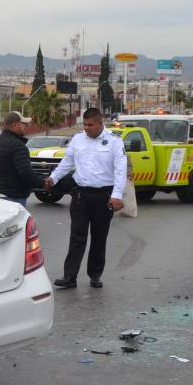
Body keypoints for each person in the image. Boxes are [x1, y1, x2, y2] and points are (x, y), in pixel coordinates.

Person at [43, 108, 127, 289]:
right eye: (85, 124)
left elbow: (121, 170)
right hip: (81, 195)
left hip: (104, 197)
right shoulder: (78, 139)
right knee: (77, 237)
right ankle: (69, 276)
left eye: (91, 125)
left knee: (99, 238)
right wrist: (53, 178)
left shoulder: (114, 141)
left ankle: (95, 275)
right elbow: (67, 162)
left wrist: (117, 196)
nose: (87, 128)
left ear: (100, 123)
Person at [0, 112, 46, 206]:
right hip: (15, 197)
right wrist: (44, 183)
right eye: (24, 124)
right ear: (15, 125)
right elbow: (26, 174)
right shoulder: (18, 145)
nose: (26, 126)